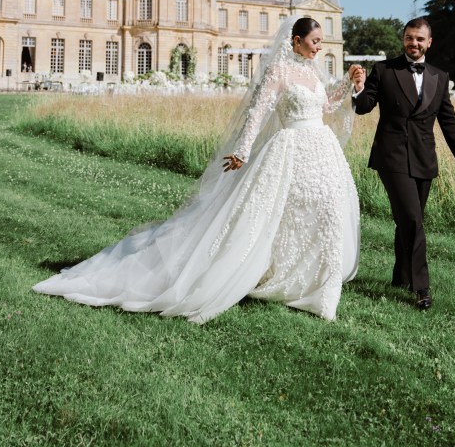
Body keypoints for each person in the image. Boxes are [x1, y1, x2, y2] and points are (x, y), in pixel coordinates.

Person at [33, 17, 361, 324]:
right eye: (315, 41)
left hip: (321, 149)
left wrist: (348, 83)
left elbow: (326, 105)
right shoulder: (279, 71)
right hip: (289, 149)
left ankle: (316, 286)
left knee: (324, 212)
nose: (319, 47)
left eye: (321, 42)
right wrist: (243, 151)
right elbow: (257, 112)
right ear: (296, 41)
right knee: (272, 215)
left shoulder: (314, 71)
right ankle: (275, 278)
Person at [351, 17, 455, 310]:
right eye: (408, 38)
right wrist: (358, 87)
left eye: (419, 39)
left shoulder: (439, 76)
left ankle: (400, 276)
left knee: (408, 221)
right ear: (402, 39)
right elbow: (364, 107)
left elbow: (448, 120)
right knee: (413, 220)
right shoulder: (384, 69)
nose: (413, 43)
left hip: (424, 158)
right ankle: (422, 287)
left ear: (429, 42)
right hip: (391, 156)